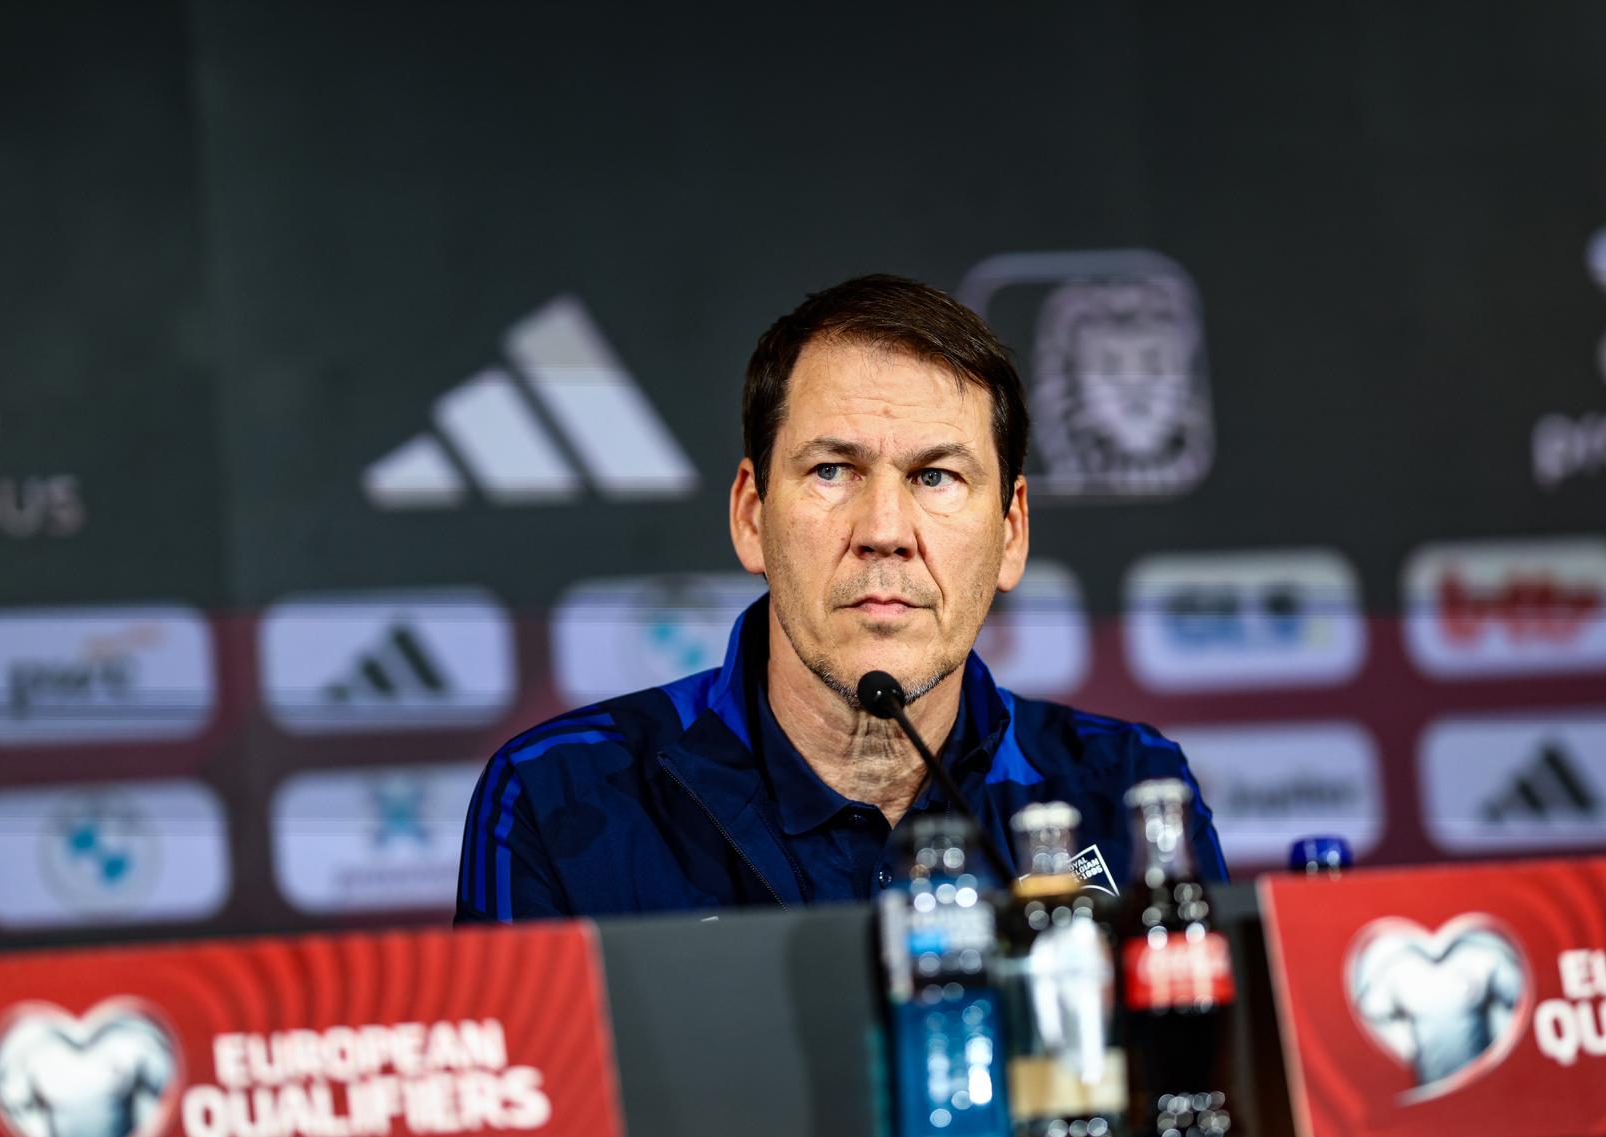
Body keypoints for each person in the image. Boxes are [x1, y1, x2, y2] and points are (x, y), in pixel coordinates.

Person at [455, 275, 1222, 922]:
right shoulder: (559, 798)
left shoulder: (1128, 792)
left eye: (936, 477)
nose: (885, 531)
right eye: (832, 470)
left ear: (1011, 533)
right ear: (752, 516)